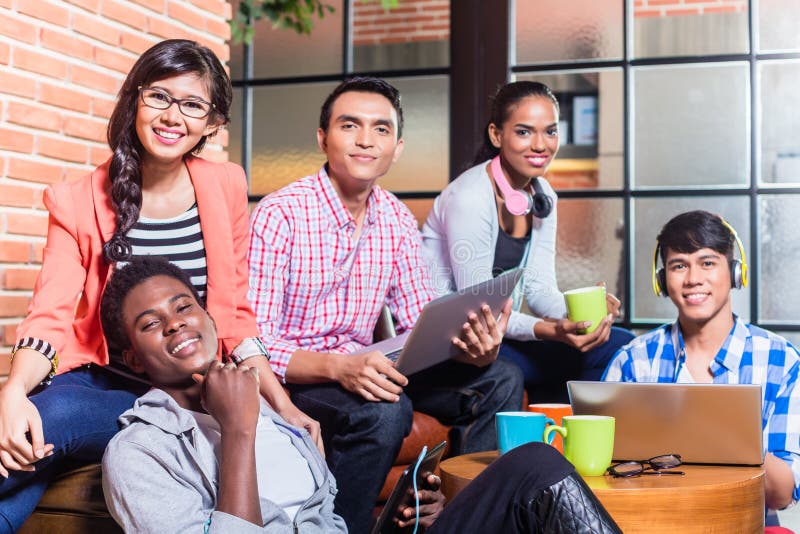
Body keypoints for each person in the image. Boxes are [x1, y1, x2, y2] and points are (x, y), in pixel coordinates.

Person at [0, 39, 316, 532]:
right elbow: (50, 314)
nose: (173, 117)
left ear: (212, 123)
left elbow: (233, 313)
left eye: (193, 105)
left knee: (45, 433)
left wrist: (281, 402)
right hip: (110, 381)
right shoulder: (77, 199)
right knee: (39, 426)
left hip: (188, 388)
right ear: (135, 99)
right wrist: (14, 392)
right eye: (159, 97)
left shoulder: (226, 185)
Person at [101, 256, 622, 534]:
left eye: (184, 306)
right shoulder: (140, 452)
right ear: (133, 358)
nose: (176, 325)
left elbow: (325, 517)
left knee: (534, 465)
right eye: (151, 324)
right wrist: (237, 432)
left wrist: (400, 519)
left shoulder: (272, 411)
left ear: (210, 315)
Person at [247, 76, 524, 533]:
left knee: (501, 377)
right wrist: (338, 368)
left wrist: (476, 344)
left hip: (370, 366)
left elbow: (421, 321)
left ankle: (464, 524)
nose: (364, 140)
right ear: (323, 138)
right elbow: (255, 342)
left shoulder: (395, 217)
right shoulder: (280, 215)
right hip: (301, 375)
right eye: (349, 125)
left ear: (396, 147)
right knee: (383, 409)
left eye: (380, 129)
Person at [420, 81, 634, 403]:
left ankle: (566, 442)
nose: (540, 145)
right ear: (496, 135)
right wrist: (551, 331)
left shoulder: (543, 195)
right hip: (452, 346)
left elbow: (538, 289)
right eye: (523, 132)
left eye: (550, 132)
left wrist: (584, 315)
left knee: (617, 344)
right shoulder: (470, 197)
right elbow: (480, 312)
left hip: (494, 336)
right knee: (521, 369)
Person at [603, 210, 799, 523]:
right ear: (662, 280)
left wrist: (725, 435)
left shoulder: (781, 361)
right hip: (648, 522)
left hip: (741, 524)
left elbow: (781, 494)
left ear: (735, 273)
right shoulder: (632, 362)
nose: (693, 278)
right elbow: (602, 478)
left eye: (707, 263)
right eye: (679, 265)